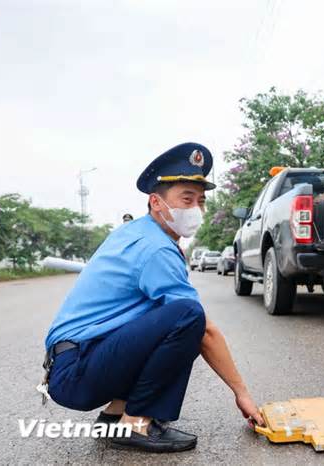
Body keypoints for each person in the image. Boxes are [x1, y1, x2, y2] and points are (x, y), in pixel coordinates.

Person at [42, 142, 264, 453]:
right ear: (156, 202)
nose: (196, 210)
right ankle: (137, 424)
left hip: (72, 364)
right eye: (186, 199)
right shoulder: (156, 248)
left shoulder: (135, 232)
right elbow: (205, 332)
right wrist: (242, 393)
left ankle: (114, 415)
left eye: (201, 201)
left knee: (165, 315)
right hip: (77, 371)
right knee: (187, 316)